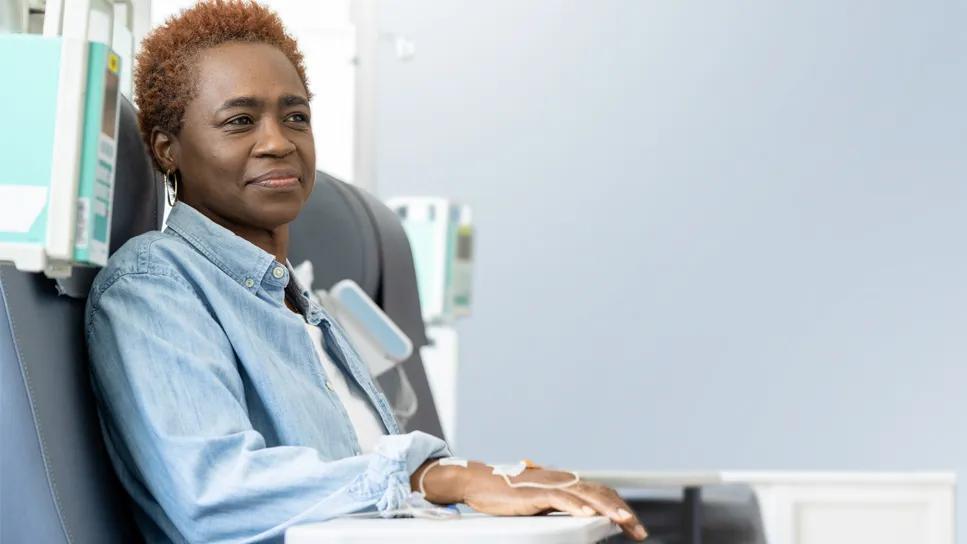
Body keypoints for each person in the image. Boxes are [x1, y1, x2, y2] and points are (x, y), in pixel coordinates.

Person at [84, 1, 647, 542]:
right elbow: (214, 496)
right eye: (239, 121)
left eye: (296, 117)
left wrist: (491, 484)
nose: (278, 142)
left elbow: (359, 494)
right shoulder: (153, 285)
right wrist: (439, 478)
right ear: (167, 149)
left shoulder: (300, 303)